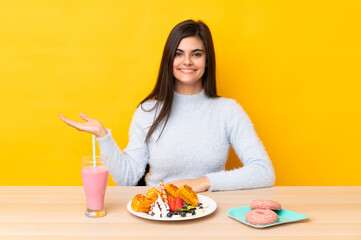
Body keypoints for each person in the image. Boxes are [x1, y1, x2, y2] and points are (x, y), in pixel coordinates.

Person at [59, 19, 275, 192]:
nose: (187, 61)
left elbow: (264, 172)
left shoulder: (228, 111)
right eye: (178, 54)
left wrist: (202, 182)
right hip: (157, 212)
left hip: (210, 212)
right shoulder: (147, 112)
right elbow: (127, 179)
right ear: (169, 60)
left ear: (207, 60)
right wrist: (103, 136)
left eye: (196, 54)